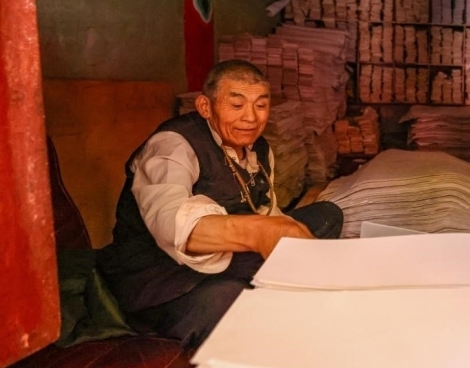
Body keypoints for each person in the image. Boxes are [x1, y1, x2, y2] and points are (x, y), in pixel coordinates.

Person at [98, 60, 343, 348]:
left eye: (261, 105)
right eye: (236, 105)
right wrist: (259, 232)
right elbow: (170, 225)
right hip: (162, 277)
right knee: (229, 301)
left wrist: (280, 232)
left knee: (326, 216)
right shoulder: (173, 145)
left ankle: (268, 293)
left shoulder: (259, 148)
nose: (250, 118)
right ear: (205, 106)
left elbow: (265, 209)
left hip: (228, 257)